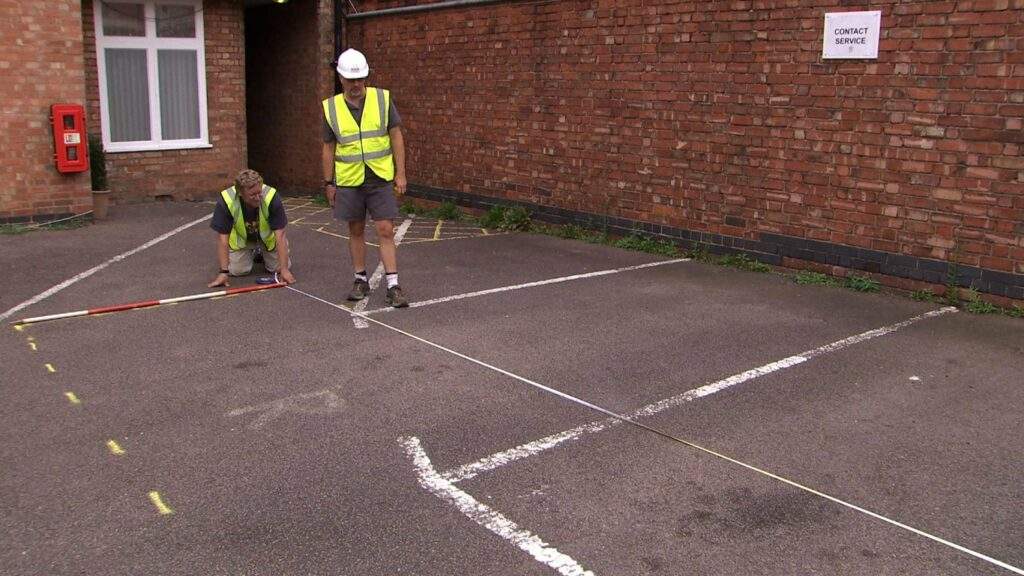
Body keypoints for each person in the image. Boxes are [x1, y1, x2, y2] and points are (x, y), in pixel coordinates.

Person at [322, 48, 409, 308]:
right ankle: (360, 279)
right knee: (356, 229)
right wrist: (329, 183)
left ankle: (393, 285)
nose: (356, 84)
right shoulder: (331, 108)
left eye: (360, 79)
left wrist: (400, 172)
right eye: (351, 79)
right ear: (341, 79)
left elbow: (396, 135)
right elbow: (328, 147)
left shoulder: (382, 100)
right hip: (349, 179)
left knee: (385, 229)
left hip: (379, 175)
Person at [208, 169, 295, 287]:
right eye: (252, 195)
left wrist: (284, 269)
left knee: (277, 268)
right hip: (242, 240)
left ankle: (261, 252)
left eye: (259, 192)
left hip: (267, 240)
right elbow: (222, 238)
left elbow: (280, 234)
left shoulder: (271, 196)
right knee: (237, 271)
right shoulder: (227, 200)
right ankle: (253, 252)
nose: (258, 197)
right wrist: (223, 273)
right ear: (240, 193)